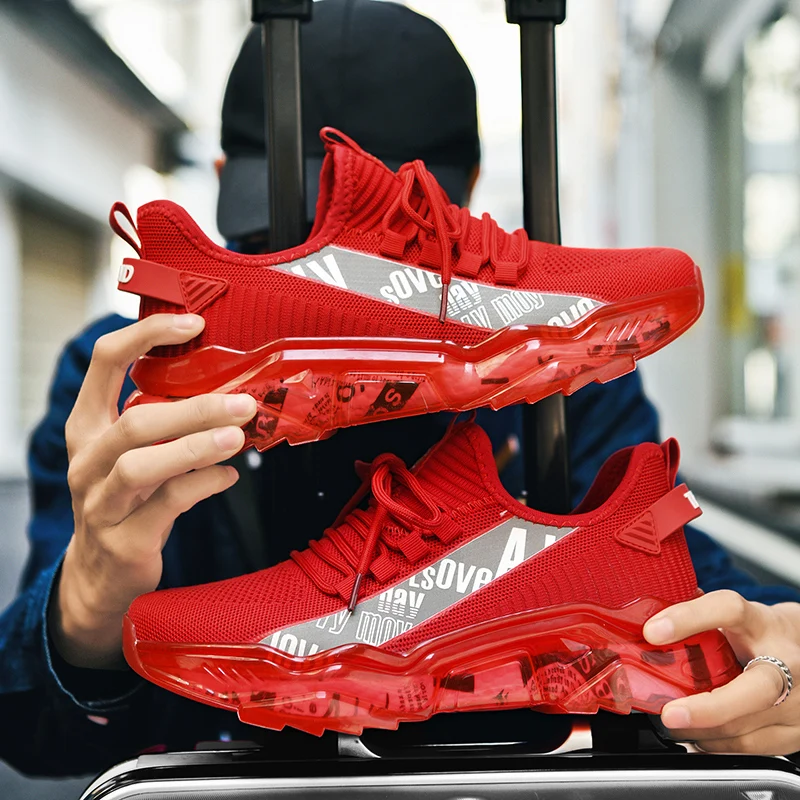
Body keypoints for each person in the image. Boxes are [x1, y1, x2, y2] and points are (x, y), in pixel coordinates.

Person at [2, 0, 800, 776]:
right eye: (287, 241)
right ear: (221, 182)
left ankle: (442, 573)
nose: (341, 289)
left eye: (394, 246)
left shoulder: (572, 386)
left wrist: (778, 659)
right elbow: (32, 740)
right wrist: (88, 598)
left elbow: (673, 577)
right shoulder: (117, 384)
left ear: (460, 206)